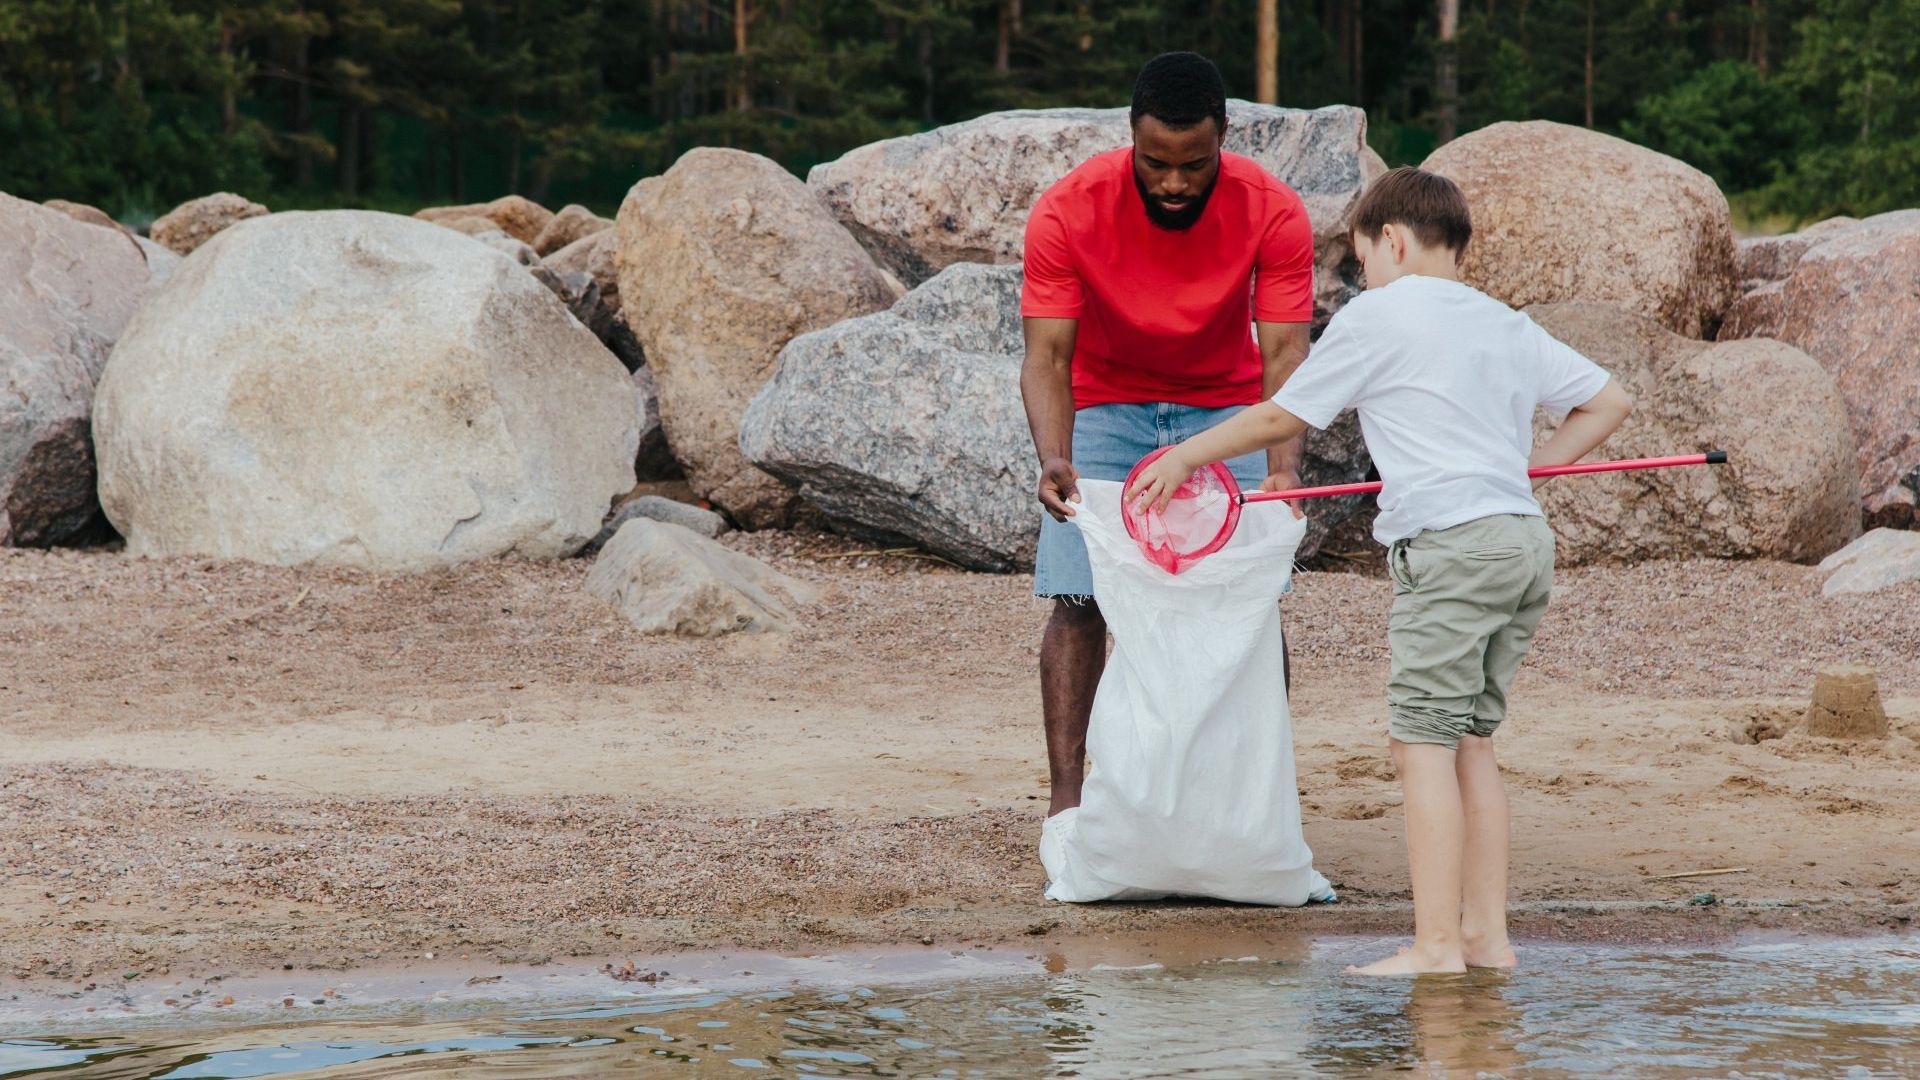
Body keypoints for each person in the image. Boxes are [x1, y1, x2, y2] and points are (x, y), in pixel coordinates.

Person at [1127, 167, 1634, 975]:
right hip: (1521, 543)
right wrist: (1523, 469)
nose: (1364, 276)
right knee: (1471, 739)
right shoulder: (1505, 322)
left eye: (1362, 260)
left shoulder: (1380, 314)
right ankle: (1485, 940)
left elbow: (1282, 413)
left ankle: (1436, 948)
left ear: (1391, 240)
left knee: (1420, 746)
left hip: (1454, 548)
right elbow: (1609, 401)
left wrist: (1182, 454)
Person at [1019, 51, 1317, 818]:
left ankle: (1249, 797)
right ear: (1131, 138)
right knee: (1080, 597)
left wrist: (1283, 468)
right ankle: (1066, 800)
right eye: (1156, 163)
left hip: (1225, 412)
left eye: (1195, 164)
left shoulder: (1273, 209)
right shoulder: (1068, 209)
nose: (1176, 182)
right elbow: (1048, 356)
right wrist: (1056, 456)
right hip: (1107, 406)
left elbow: (1285, 353)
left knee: (1247, 601)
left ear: (1224, 137)